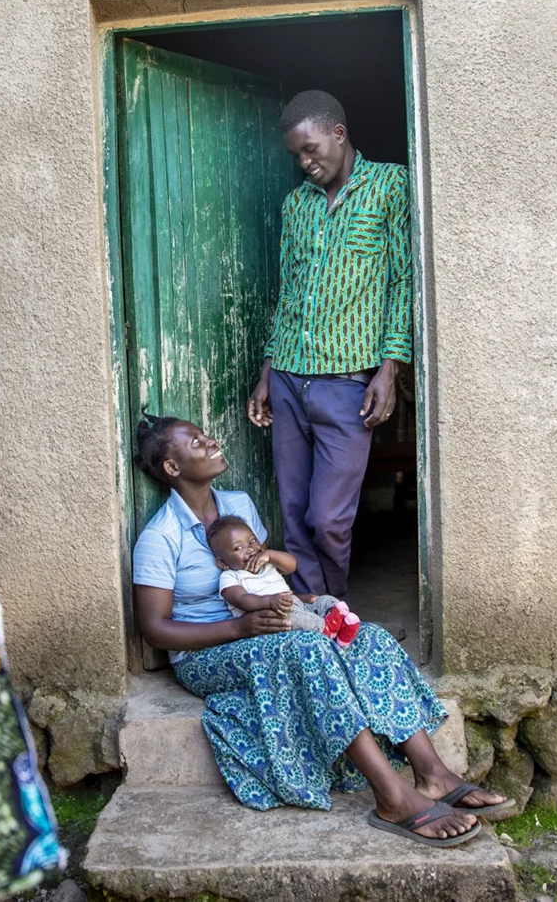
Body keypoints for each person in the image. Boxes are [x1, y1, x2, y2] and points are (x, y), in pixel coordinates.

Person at [132, 415, 511, 846]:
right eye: (196, 442)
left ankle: (433, 773)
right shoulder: (160, 537)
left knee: (367, 637)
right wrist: (238, 628)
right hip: (208, 653)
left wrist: (301, 600)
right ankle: (392, 796)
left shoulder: (239, 504)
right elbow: (156, 631)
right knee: (309, 649)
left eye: (205, 435)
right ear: (172, 468)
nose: (210, 441)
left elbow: (264, 576)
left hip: (269, 627)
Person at [247, 90, 412, 598]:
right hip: (290, 377)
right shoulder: (295, 205)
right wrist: (267, 372)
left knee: (328, 520)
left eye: (312, 148)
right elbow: (288, 292)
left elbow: (404, 279)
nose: (305, 162)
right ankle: (318, 621)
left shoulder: (391, 185)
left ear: (339, 134)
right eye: (296, 154)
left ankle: (336, 609)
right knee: (294, 515)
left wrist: (390, 368)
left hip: (347, 382)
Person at [206, 514, 360, 647]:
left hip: (292, 605)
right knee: (293, 618)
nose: (250, 548)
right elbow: (240, 599)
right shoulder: (231, 576)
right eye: (238, 548)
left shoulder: (266, 562)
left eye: (252, 541)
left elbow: (292, 565)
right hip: (273, 617)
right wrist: (269, 602)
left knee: (324, 600)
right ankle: (326, 630)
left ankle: (341, 623)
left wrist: (270, 555)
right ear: (223, 563)